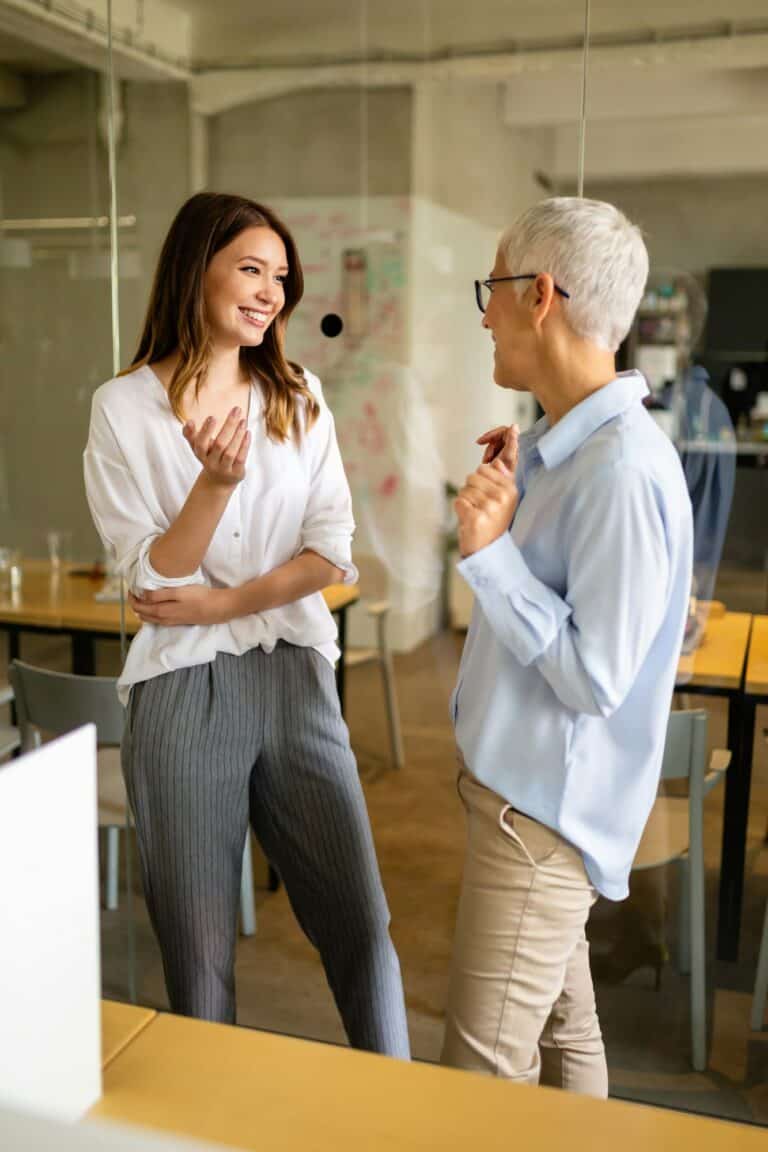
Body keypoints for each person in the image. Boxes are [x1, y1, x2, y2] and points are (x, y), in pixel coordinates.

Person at [83, 191, 409, 1057]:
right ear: (197, 271)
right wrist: (214, 486)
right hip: (180, 693)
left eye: (280, 276)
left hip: (296, 676)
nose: (271, 291)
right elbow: (152, 581)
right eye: (251, 269)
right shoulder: (122, 409)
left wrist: (226, 603)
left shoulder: (297, 395)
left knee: (362, 926)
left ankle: (408, 1110)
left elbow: (332, 551)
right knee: (196, 956)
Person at [440, 197, 693, 1096]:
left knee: (478, 1079)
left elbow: (596, 677)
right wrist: (527, 482)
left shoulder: (620, 469)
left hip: (539, 822)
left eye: (494, 289)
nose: (485, 313)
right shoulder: (576, 449)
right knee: (564, 1032)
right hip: (530, 806)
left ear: (539, 294)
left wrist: (492, 557)